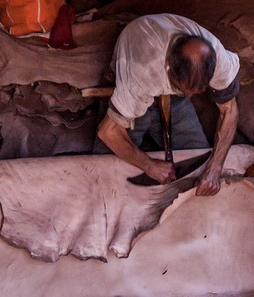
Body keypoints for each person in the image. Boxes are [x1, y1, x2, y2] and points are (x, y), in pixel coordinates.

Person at [96, 13, 240, 196]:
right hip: (140, 78)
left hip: (171, 89)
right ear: (168, 67)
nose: (190, 96)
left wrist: (215, 168)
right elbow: (108, 132)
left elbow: (229, 110)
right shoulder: (142, 72)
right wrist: (149, 165)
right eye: (186, 89)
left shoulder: (220, 60)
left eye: (196, 91)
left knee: (197, 157)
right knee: (107, 169)